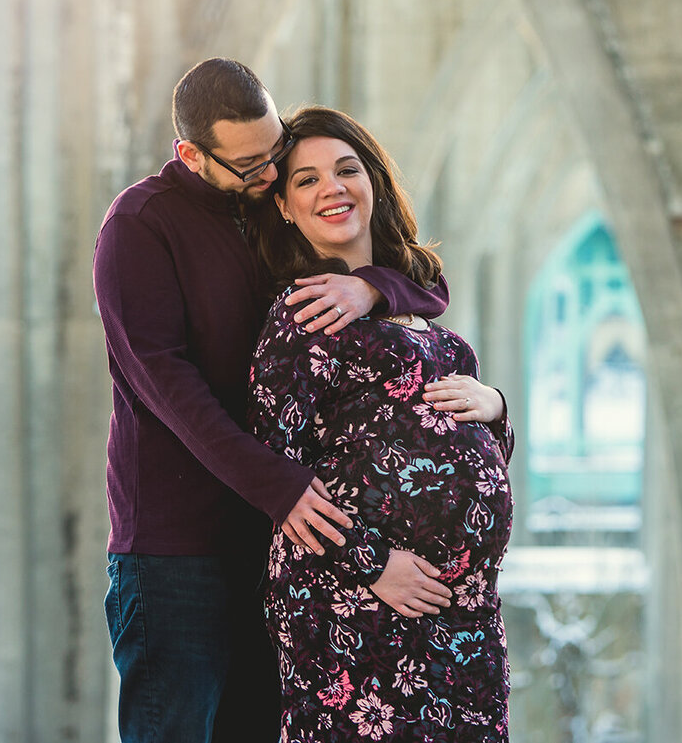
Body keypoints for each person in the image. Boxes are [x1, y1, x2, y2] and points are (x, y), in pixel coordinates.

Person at [92, 59, 450, 743]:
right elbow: (169, 386)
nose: (270, 176)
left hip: (275, 543)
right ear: (191, 154)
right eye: (251, 164)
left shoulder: (268, 210)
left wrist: (373, 289)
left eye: (276, 150)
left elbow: (426, 283)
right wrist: (280, 486)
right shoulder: (140, 225)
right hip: (176, 550)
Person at [247, 106, 514, 742]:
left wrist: (497, 407)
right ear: (283, 206)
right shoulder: (301, 315)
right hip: (359, 608)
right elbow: (275, 478)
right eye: (306, 180)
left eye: (346, 169)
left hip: (462, 615)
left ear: (374, 182)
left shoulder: (429, 322)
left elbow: (486, 456)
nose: (331, 187)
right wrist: (373, 565)